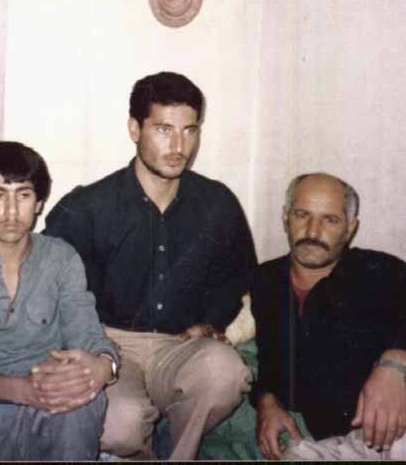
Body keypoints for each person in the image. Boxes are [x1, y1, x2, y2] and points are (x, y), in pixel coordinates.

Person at [44, 71, 256, 460]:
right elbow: (49, 287)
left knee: (228, 374)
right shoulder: (89, 207)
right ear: (134, 129)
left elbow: (238, 276)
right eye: (163, 130)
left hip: (180, 347)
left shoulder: (217, 203)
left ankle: (177, 447)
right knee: (117, 425)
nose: (179, 146)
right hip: (110, 346)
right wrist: (86, 345)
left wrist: (212, 322)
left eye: (190, 131)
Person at [0, 141, 120, 461]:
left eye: (24, 195)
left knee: (78, 407)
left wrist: (104, 365)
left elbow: (86, 332)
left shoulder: (61, 258)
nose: (12, 211)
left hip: (51, 401)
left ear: (39, 202)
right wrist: (24, 391)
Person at [251, 172, 406, 461]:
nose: (313, 231)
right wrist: (267, 402)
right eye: (302, 215)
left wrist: (397, 362)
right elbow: (268, 357)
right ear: (285, 217)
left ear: (350, 228)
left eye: (330, 220)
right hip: (336, 444)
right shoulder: (265, 280)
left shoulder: (381, 271)